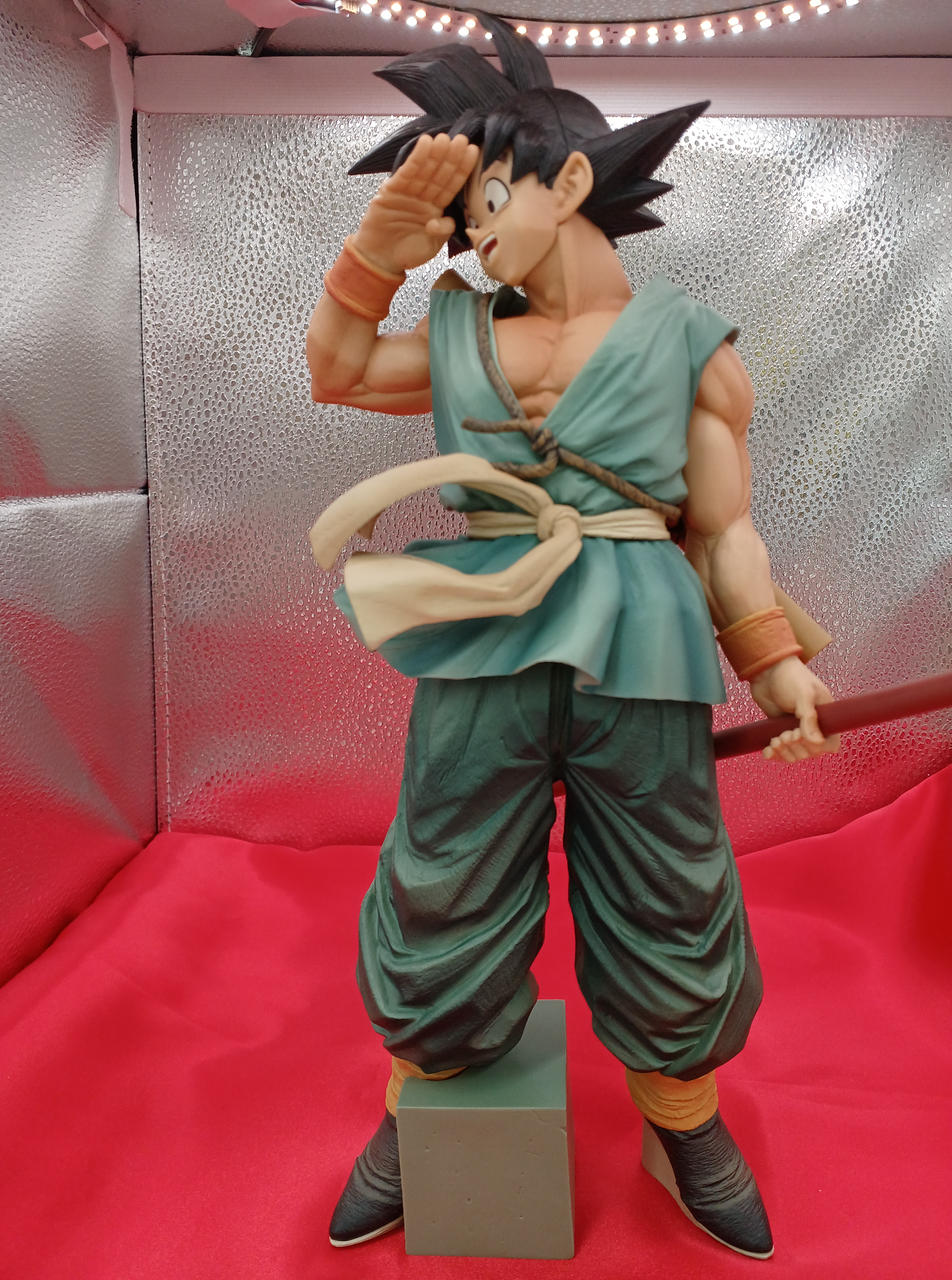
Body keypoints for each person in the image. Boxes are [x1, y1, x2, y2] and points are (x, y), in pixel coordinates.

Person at [306, 12, 838, 1259]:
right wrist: (379, 248)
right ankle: (423, 1090)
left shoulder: (691, 341)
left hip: (642, 631)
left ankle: (683, 1111)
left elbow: (725, 525)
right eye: (463, 215)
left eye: (492, 196)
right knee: (443, 864)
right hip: (485, 630)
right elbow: (338, 369)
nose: (476, 230)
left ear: (574, 180)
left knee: (670, 876)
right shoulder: (460, 331)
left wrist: (775, 659)